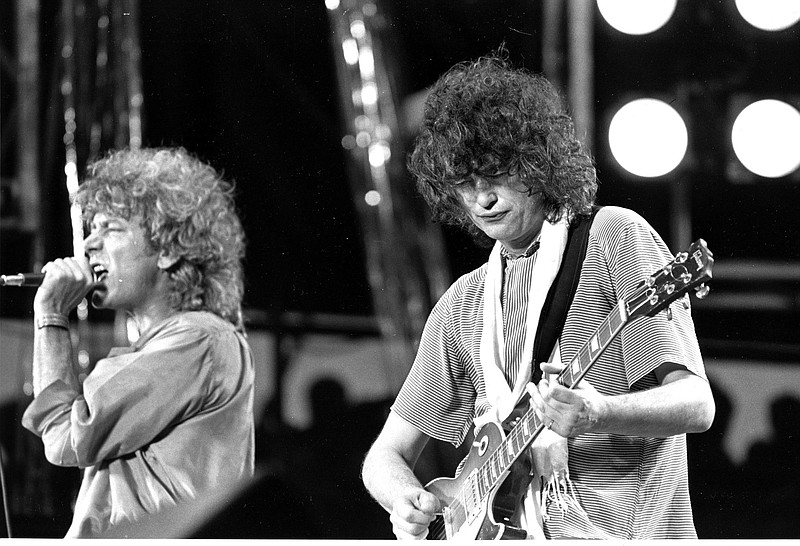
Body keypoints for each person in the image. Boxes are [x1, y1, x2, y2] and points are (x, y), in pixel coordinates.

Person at [361, 51, 715, 540]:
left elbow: (698, 405)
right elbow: (385, 456)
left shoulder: (614, 239)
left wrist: (599, 413)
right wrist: (406, 500)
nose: (482, 199)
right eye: (464, 184)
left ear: (535, 162)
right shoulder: (464, 304)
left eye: (495, 173)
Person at [21, 147, 255, 538]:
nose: (89, 244)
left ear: (167, 250)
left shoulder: (196, 340)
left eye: (110, 227)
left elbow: (65, 437)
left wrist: (51, 314)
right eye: (90, 228)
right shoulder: (172, 346)